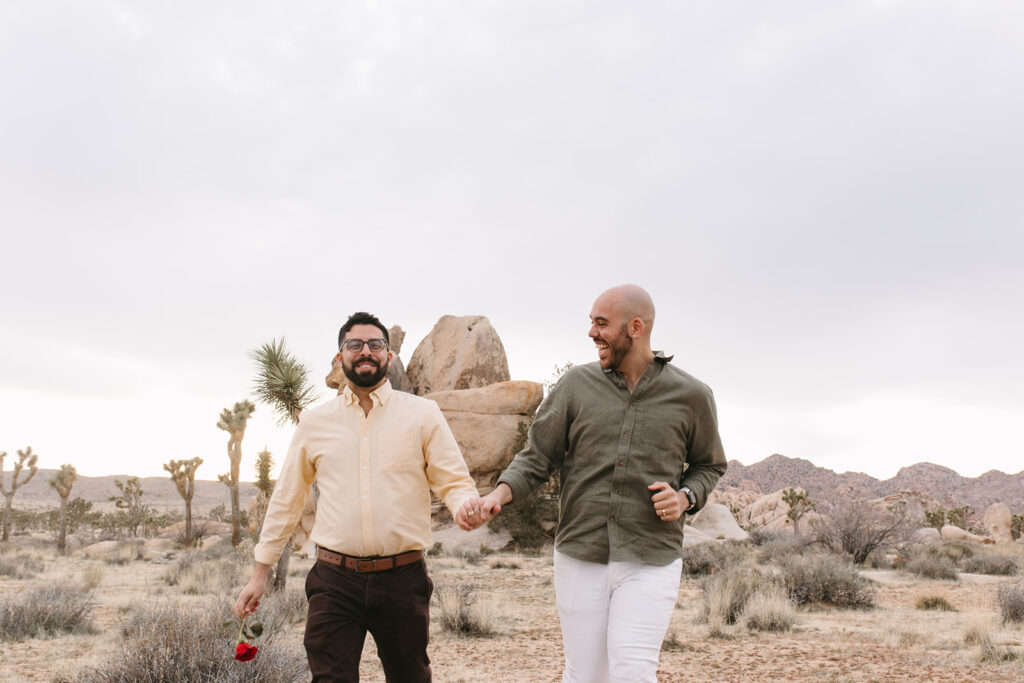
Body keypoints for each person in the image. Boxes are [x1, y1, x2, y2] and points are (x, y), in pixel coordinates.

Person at [456, 284, 727, 683]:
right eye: (591, 323)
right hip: (580, 554)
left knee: (633, 672)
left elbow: (709, 465)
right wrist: (497, 495)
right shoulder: (575, 386)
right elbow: (537, 457)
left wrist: (685, 497)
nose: (591, 333)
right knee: (585, 675)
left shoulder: (692, 396)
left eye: (601, 324)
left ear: (635, 328)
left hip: (651, 556)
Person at [236, 311, 478, 683]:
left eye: (376, 345)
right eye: (355, 344)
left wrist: (465, 507)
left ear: (389, 357)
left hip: (403, 578)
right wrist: (259, 574)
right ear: (340, 357)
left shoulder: (422, 414)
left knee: (410, 677)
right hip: (334, 581)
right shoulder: (315, 422)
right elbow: (287, 498)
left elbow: (453, 480)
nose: (366, 351)